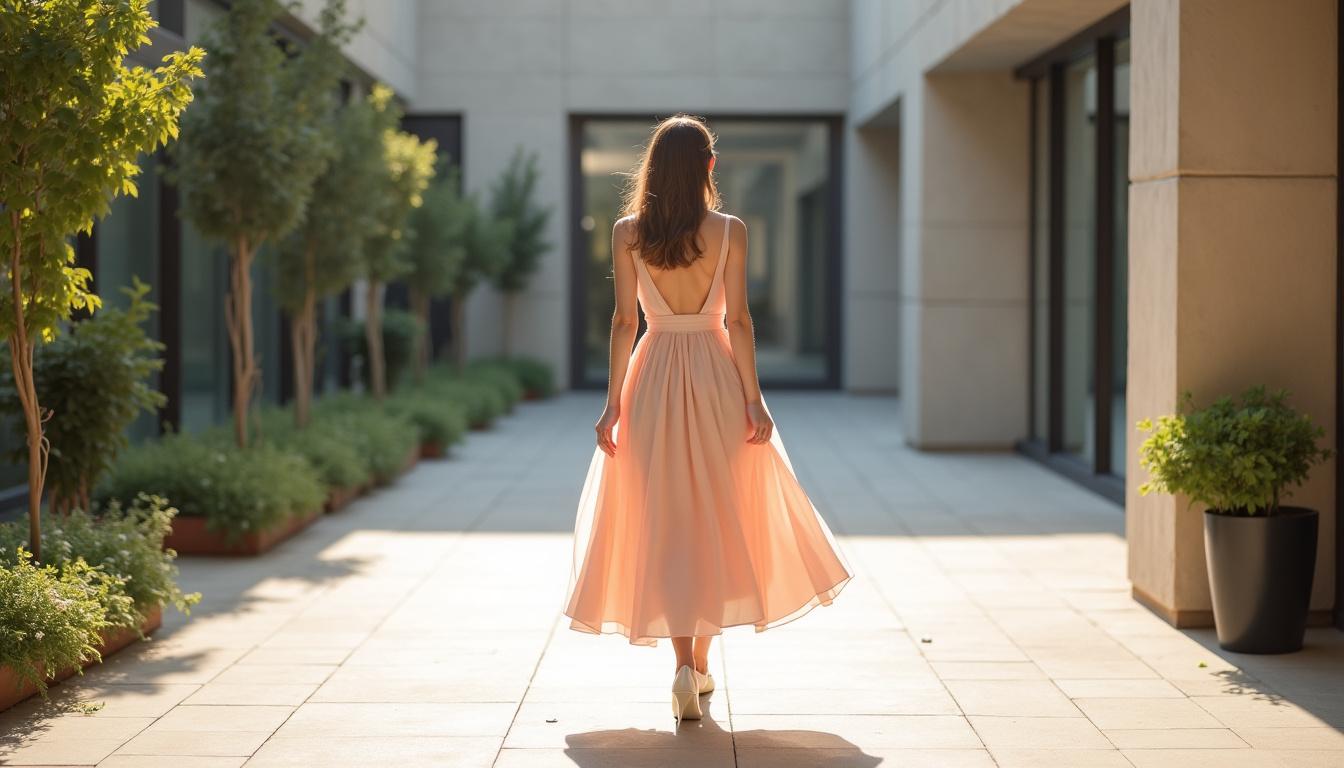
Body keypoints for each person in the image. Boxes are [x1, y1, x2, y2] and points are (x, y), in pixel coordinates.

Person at [563, 114, 852, 726]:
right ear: (708, 166)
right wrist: (754, 398)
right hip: (717, 379)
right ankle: (698, 664)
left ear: (652, 168)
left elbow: (624, 323)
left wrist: (612, 403)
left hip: (652, 380)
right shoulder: (730, 230)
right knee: (715, 518)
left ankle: (681, 670)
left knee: (667, 521)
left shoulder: (627, 232)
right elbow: (739, 320)